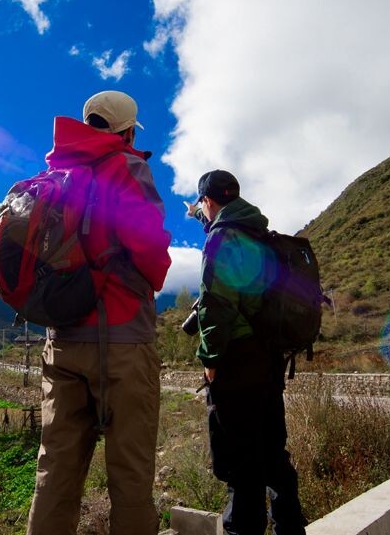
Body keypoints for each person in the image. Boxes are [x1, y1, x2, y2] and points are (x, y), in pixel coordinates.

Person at [26, 90, 172, 535]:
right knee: (129, 475)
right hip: (122, 343)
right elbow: (149, 246)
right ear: (128, 130)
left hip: (62, 340)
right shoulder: (128, 166)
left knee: (56, 470)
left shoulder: (55, 172)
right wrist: (158, 273)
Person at [185, 169, 306, 535]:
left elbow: (217, 304)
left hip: (236, 360)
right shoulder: (262, 236)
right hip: (270, 358)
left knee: (240, 463)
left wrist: (211, 361)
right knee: (273, 454)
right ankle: (290, 527)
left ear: (207, 201)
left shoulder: (222, 238)